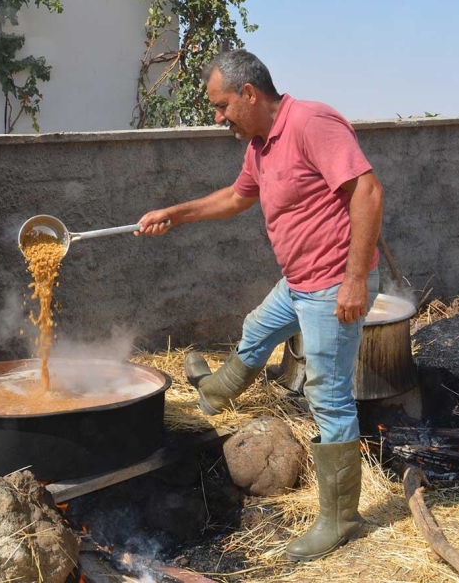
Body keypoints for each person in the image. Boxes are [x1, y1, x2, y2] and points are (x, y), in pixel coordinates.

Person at [136, 49, 383, 562]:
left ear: (250, 94)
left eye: (223, 106)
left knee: (328, 397)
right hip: (298, 282)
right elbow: (235, 198)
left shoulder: (312, 122)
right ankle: (212, 396)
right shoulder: (260, 145)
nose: (218, 117)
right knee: (257, 327)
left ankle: (341, 520)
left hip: (332, 285)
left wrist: (355, 280)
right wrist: (174, 214)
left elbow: (368, 192)